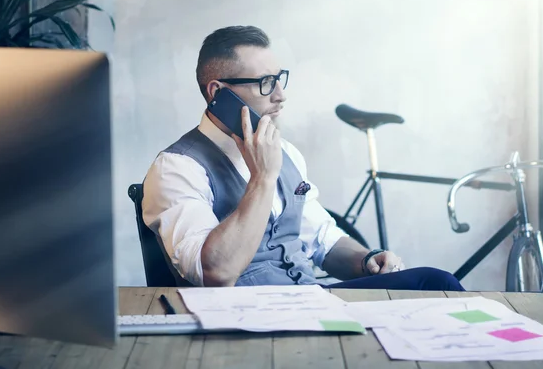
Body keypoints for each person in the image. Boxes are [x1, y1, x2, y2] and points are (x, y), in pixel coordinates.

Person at [142, 25, 464, 291]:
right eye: (266, 83)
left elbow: (322, 238)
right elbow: (215, 273)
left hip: (311, 300)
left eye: (279, 79)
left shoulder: (287, 153)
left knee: (435, 281)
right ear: (217, 92)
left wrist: (367, 259)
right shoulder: (177, 168)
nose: (281, 95)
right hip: (245, 316)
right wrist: (262, 179)